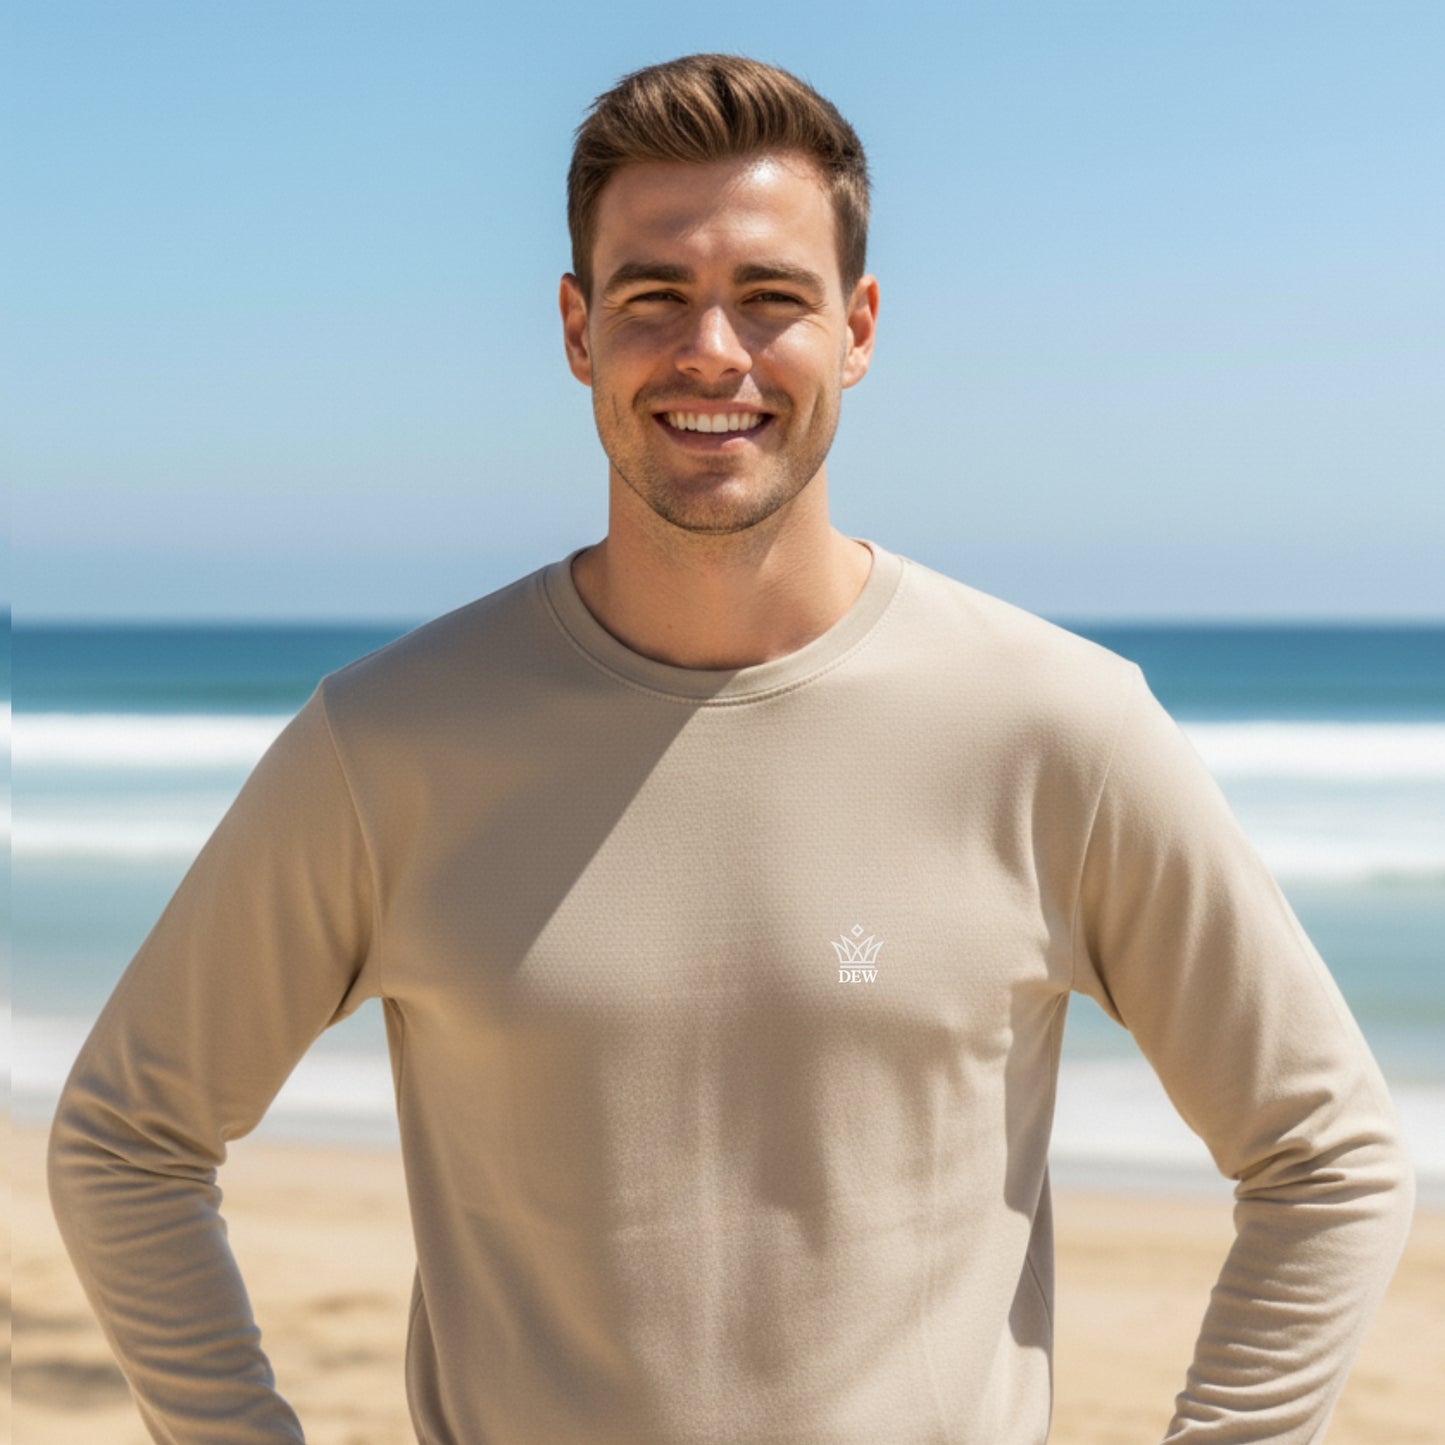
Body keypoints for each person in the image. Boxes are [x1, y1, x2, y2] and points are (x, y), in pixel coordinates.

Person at [49, 53, 1414, 1445]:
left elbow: (1328, 1158)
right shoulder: (390, 743)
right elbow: (126, 1140)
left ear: (857, 328)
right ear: (577, 330)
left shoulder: (1058, 727)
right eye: (653, 296)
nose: (713, 350)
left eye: (771, 297)